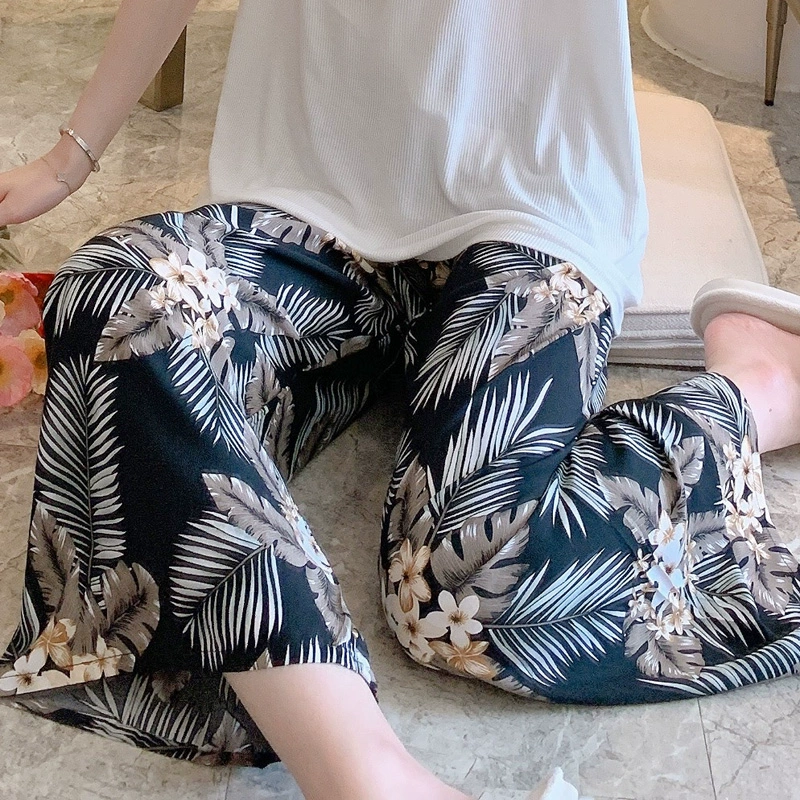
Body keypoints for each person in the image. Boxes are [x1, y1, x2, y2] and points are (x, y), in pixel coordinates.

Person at [2, 2, 800, 799]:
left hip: (533, 204)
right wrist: (72, 156)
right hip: (310, 190)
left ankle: (757, 388)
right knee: (121, 300)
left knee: (466, 578)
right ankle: (363, 772)